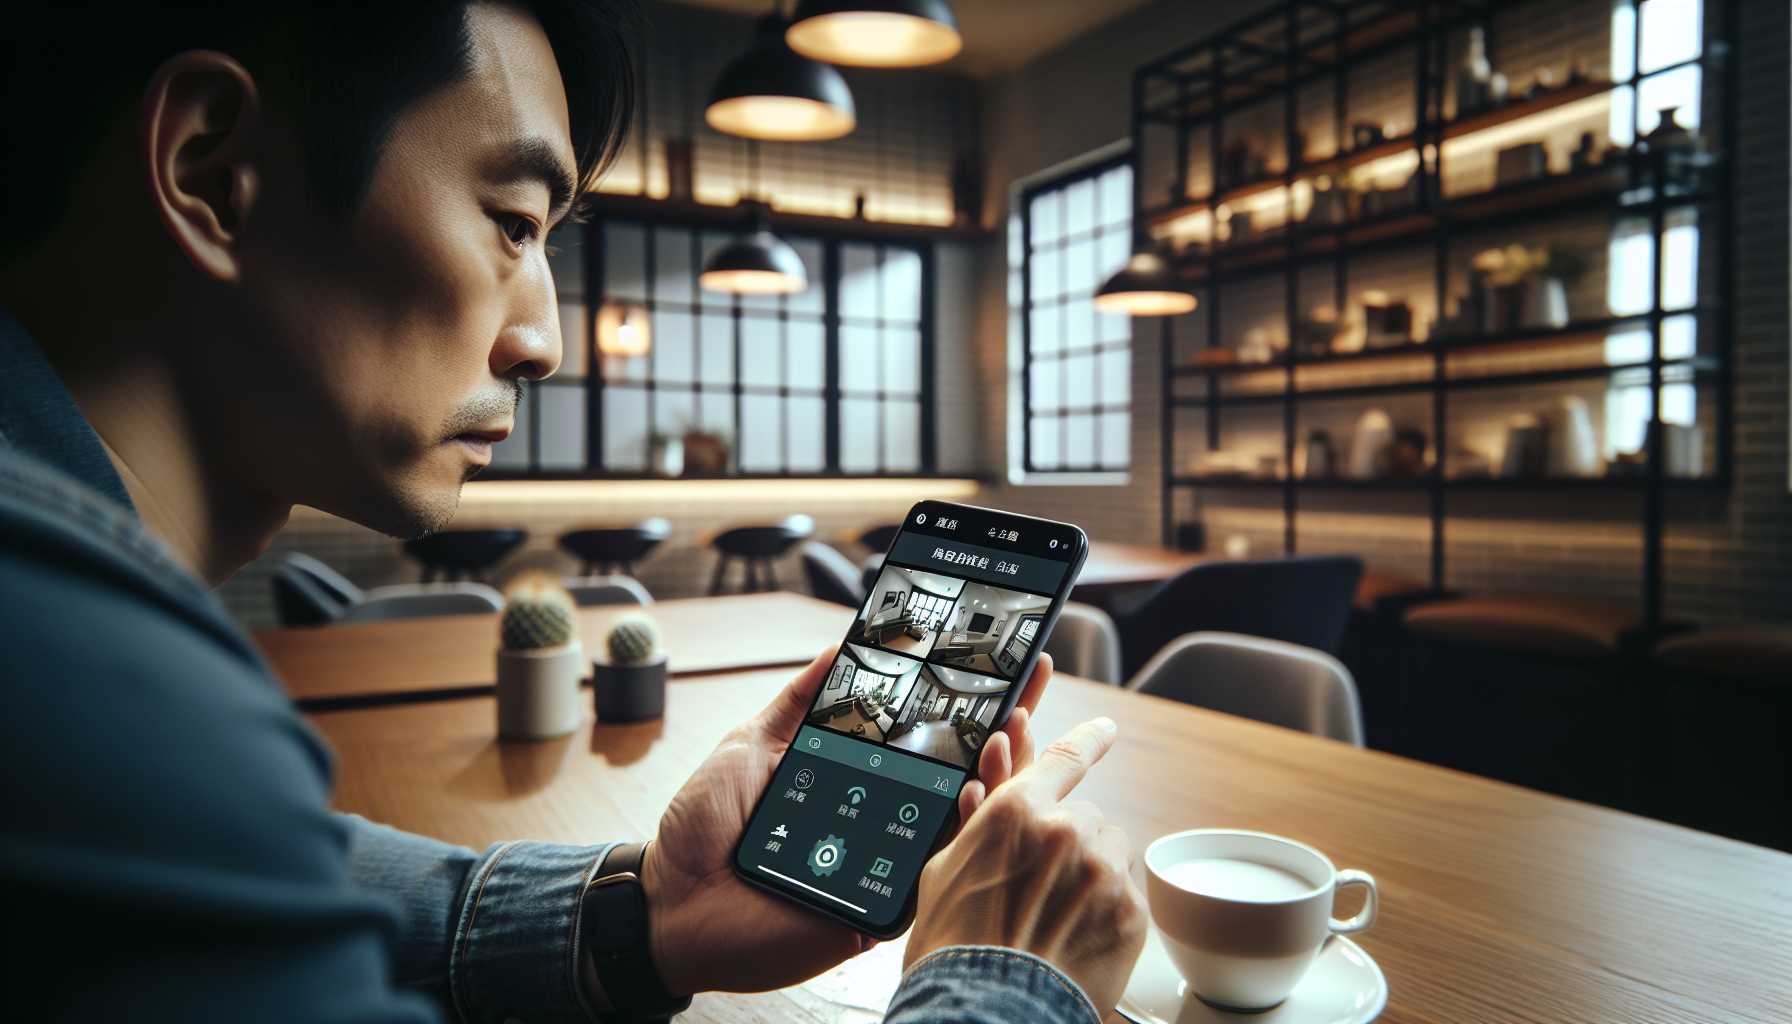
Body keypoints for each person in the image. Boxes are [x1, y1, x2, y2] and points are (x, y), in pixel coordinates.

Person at [0, 3, 1148, 1021]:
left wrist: (642, 910)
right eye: (510, 220)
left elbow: (261, 876)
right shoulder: (79, 684)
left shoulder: (112, 722)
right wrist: (1001, 984)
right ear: (213, 171)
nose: (540, 342)